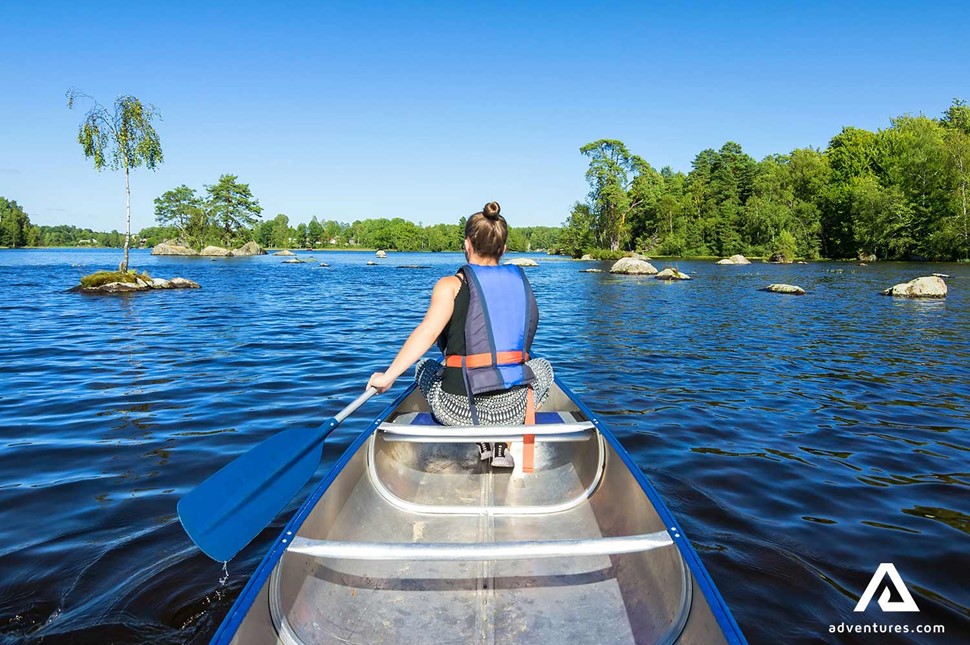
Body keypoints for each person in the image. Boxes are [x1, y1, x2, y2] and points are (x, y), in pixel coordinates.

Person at [367, 201, 554, 468]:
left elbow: (427, 333)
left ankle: (484, 442)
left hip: (461, 410)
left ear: (467, 244)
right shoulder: (521, 283)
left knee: (425, 366)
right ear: (504, 249)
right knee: (543, 366)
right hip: (514, 408)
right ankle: (502, 446)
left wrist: (388, 376)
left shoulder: (449, 285)